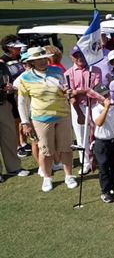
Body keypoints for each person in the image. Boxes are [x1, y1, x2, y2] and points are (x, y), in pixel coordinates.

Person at [18, 47, 76, 192]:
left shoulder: (57, 71)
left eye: (44, 58)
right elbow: (22, 102)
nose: (43, 61)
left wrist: (66, 91)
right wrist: (25, 122)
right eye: (39, 59)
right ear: (31, 61)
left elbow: (64, 88)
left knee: (66, 148)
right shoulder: (25, 78)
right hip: (41, 118)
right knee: (46, 150)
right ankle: (47, 178)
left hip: (63, 115)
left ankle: (68, 176)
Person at [65, 45, 103, 175]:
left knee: (99, 134)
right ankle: (86, 163)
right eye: (76, 56)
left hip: (94, 105)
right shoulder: (68, 73)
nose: (80, 58)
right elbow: (71, 96)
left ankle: (101, 159)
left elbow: (96, 90)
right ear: (72, 58)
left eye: (81, 55)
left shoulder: (95, 69)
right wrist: (79, 113)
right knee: (81, 137)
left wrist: (79, 91)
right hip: (78, 107)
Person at [91, 83, 114, 203]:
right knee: (104, 168)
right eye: (103, 95)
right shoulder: (96, 109)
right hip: (102, 142)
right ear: (97, 98)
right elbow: (99, 122)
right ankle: (105, 191)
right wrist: (106, 108)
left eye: (107, 94)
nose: (106, 97)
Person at [0, 35, 29, 158]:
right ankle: (18, 146)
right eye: (16, 47)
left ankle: (24, 142)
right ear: (8, 48)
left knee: (23, 118)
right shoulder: (2, 61)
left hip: (22, 92)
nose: (18, 49)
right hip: (11, 94)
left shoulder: (20, 58)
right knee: (16, 119)